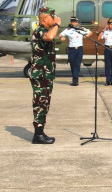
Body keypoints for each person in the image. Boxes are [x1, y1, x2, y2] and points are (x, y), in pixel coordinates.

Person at [30, 7, 61, 144]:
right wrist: (57, 25)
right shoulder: (40, 30)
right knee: (40, 103)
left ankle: (40, 132)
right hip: (41, 74)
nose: (54, 19)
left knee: (44, 104)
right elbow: (49, 37)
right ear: (44, 19)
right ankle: (38, 135)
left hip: (45, 74)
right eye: (51, 17)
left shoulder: (44, 30)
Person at [59, 16, 89, 86]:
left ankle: (75, 80)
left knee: (77, 64)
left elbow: (90, 32)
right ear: (71, 23)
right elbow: (60, 35)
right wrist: (61, 37)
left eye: (75, 22)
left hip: (79, 49)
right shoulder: (68, 30)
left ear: (77, 23)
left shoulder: (81, 29)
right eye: (73, 22)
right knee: (72, 64)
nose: (74, 23)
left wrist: (86, 35)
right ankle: (74, 78)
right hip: (71, 49)